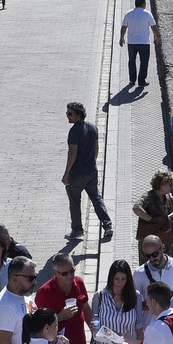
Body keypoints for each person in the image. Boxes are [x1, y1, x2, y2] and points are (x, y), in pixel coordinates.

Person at [61, 102, 113, 241]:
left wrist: (67, 172)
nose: (68, 116)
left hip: (77, 174)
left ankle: (77, 230)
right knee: (96, 198)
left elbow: (72, 153)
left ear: (78, 115)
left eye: (70, 114)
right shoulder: (93, 126)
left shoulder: (74, 131)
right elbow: (96, 148)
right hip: (91, 171)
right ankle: (108, 225)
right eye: (67, 113)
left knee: (75, 202)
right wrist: (92, 163)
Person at [133, 170, 173, 251]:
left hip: (165, 239)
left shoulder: (168, 197)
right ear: (162, 185)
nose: (172, 187)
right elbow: (136, 208)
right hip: (149, 243)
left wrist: (168, 218)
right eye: (170, 184)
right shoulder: (148, 197)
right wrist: (150, 219)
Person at [134, 235, 173, 305]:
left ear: (163, 248)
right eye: (147, 256)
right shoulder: (138, 273)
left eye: (155, 254)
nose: (152, 258)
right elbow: (135, 304)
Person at [120, 0, 158, 88]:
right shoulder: (147, 14)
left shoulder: (128, 13)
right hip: (144, 42)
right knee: (144, 62)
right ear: (143, 4)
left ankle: (132, 80)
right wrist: (157, 36)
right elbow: (153, 27)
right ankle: (141, 81)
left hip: (132, 42)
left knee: (131, 61)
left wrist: (122, 38)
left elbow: (124, 27)